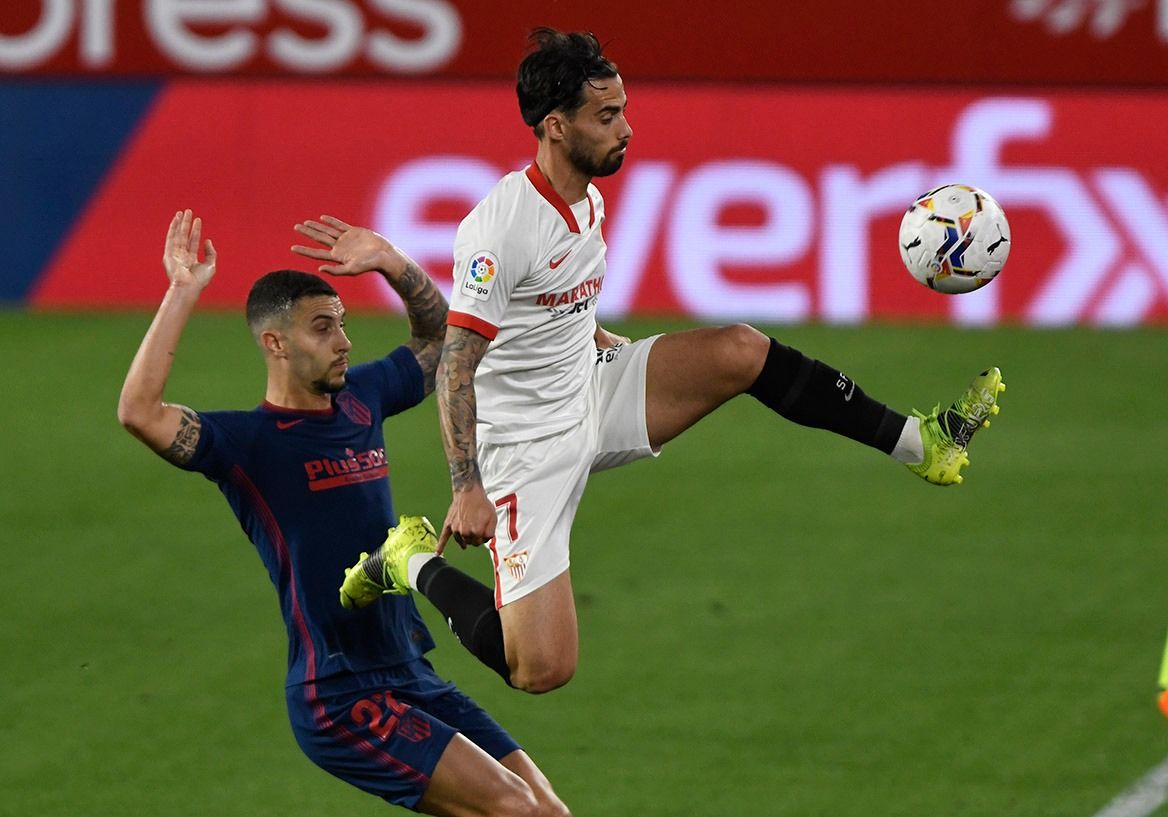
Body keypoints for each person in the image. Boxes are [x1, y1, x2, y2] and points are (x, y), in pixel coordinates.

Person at [342, 28, 1005, 696]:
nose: (626, 129)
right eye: (606, 117)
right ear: (555, 127)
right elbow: (457, 359)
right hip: (524, 449)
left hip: (591, 390)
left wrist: (608, 346)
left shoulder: (589, 197)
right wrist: (467, 484)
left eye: (624, 109)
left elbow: (556, 309)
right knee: (541, 667)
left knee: (739, 350)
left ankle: (923, 443)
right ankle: (412, 557)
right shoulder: (502, 226)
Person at [118, 210, 569, 816]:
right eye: (323, 328)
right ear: (274, 343)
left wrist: (393, 262)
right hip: (338, 691)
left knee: (548, 812)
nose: (344, 342)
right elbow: (140, 412)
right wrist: (181, 292)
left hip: (408, 669)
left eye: (344, 325)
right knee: (515, 811)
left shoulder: (362, 398)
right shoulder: (248, 443)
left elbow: (442, 346)